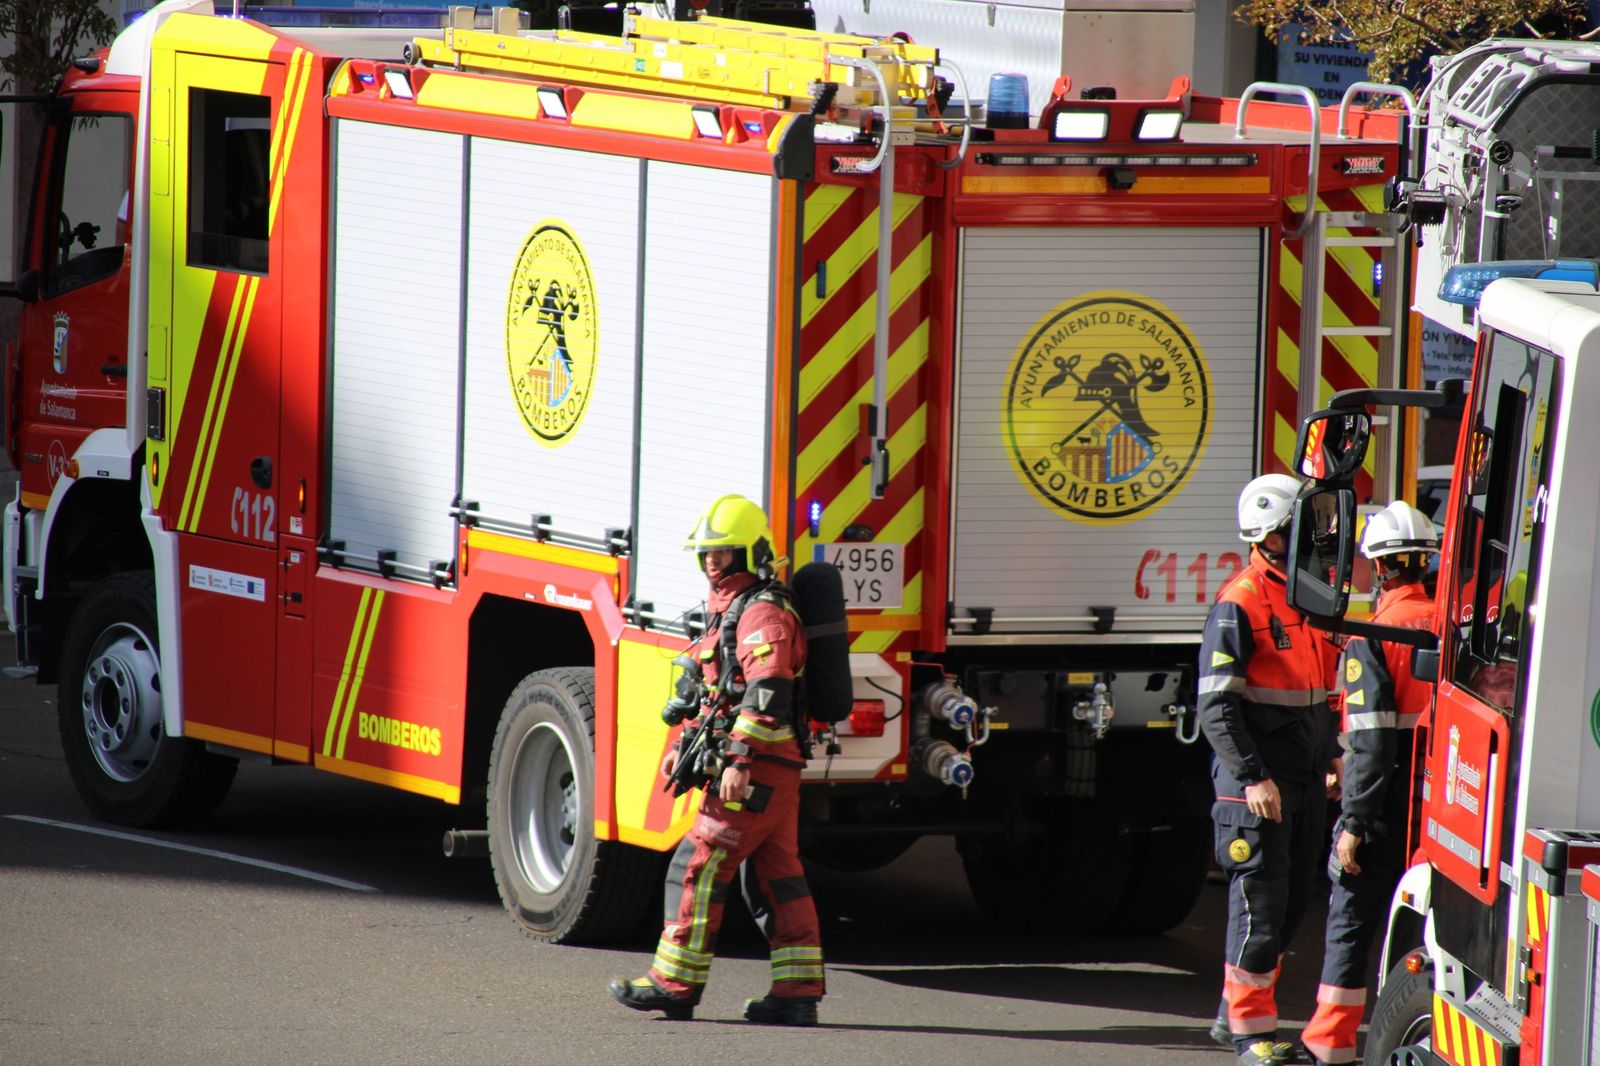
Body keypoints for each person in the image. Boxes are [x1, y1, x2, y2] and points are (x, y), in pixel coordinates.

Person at [608, 494, 825, 1025]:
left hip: (759, 768)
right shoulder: (732, 609)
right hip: (772, 767)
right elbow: (720, 694)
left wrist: (740, 759)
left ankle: (674, 984)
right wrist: (684, 747)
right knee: (777, 877)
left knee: (697, 864)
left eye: (723, 553)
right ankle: (796, 994)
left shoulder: (761, 612)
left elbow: (767, 692)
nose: (711, 562)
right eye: (706, 553)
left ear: (749, 553)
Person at [1200, 473, 1342, 1066]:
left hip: (1301, 780)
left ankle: (1233, 1014)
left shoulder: (1306, 596)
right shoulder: (1241, 601)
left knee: (1290, 906)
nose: (1321, 535)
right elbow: (1216, 705)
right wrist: (1252, 776)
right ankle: (1249, 1035)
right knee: (1258, 908)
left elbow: (1318, 691)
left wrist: (1331, 754)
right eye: (1307, 525)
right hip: (1257, 785)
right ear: (1273, 536)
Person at [1301, 501, 1438, 1066]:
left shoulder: (1372, 635)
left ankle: (1331, 1045)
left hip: (1385, 804)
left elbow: (1373, 743)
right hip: (1444, 803)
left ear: (1380, 567)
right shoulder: (1454, 625)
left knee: (1351, 923)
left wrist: (1354, 823)